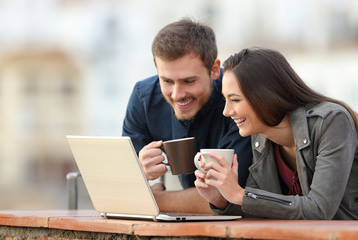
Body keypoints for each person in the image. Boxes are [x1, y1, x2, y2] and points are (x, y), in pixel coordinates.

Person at [194, 47, 358, 220]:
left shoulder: (331, 121)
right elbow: (260, 209)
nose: (226, 111)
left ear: (266, 96)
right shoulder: (261, 137)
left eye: (235, 100)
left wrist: (240, 194)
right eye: (225, 100)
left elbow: (319, 209)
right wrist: (221, 199)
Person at [122, 18, 252, 214]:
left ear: (214, 70)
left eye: (189, 81)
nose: (177, 94)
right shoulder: (144, 97)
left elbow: (223, 198)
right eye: (166, 81)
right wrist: (140, 172)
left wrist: (151, 200)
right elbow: (120, 190)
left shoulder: (239, 98)